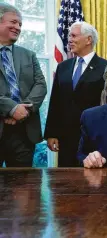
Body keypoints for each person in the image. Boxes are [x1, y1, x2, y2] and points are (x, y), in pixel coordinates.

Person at [44, 22, 107, 167]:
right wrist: (51, 133)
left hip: (94, 137)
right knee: (64, 183)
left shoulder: (106, 68)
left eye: (73, 36)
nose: (69, 40)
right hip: (65, 137)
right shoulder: (63, 67)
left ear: (88, 40)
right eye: (69, 36)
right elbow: (55, 101)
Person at [0, 3, 47, 167]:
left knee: (23, 188)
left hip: (24, 132)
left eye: (20, 24)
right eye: (13, 22)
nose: (18, 27)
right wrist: (12, 109)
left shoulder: (28, 55)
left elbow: (41, 85)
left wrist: (23, 109)